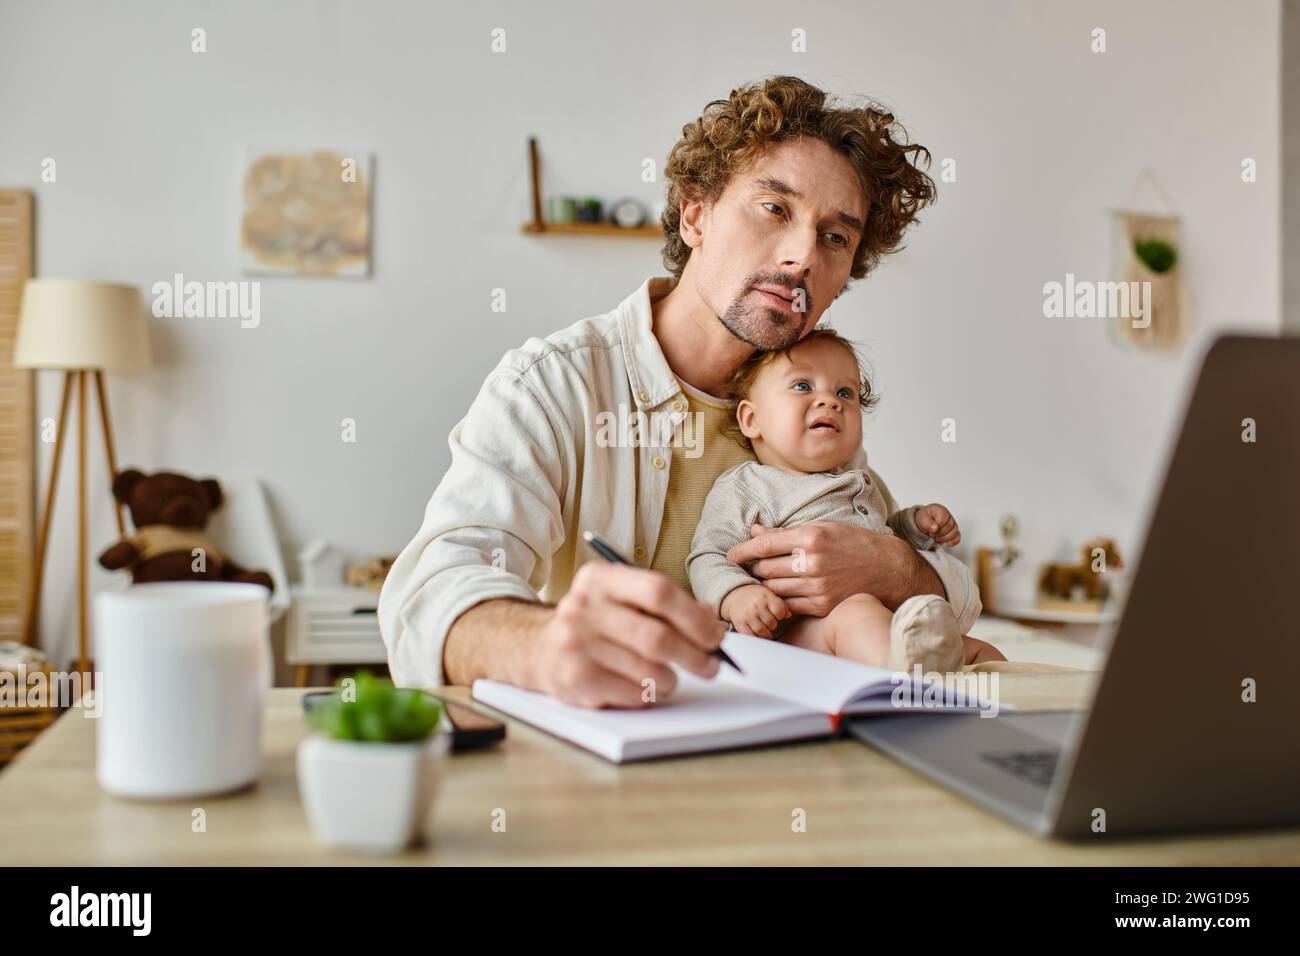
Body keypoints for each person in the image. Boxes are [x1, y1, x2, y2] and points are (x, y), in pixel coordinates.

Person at [379, 75, 983, 708]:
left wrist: (897, 568)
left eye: (835, 237)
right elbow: (426, 600)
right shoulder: (551, 387)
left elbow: (933, 609)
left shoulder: (817, 406)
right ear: (695, 214)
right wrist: (543, 645)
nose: (802, 255)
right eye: (774, 208)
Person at [687, 328, 1005, 672]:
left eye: (845, 392)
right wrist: (737, 595)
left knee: (981, 653)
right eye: (802, 386)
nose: (831, 401)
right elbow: (708, 555)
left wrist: (914, 524)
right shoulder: (749, 486)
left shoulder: (858, 480)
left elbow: (881, 537)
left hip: (882, 620)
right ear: (752, 419)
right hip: (798, 636)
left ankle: (1000, 701)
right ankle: (903, 679)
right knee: (859, 612)